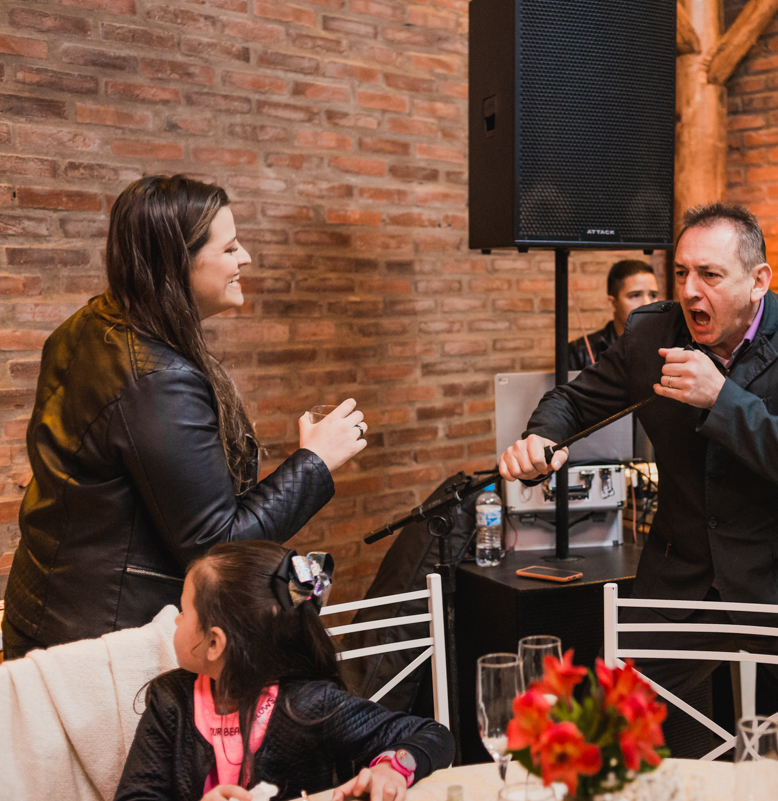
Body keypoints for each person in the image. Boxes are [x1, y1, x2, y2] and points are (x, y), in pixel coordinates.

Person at [499, 202, 778, 797]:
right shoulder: (652, 334)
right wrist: (541, 436)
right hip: (681, 582)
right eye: (682, 273)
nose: (689, 291)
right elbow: (574, 400)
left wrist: (723, 398)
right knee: (598, 739)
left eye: (710, 274)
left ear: (758, 281)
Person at [3, 175, 367, 660]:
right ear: (177, 263)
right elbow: (215, 545)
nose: (245, 259)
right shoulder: (158, 380)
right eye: (230, 248)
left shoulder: (87, 326)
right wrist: (315, 461)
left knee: (304, 584)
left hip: (49, 615)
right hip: (102, 644)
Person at [116, 540, 455, 801]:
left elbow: (432, 735)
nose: (176, 619)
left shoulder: (308, 705)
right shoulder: (171, 701)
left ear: (215, 643)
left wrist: (393, 768)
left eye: (185, 610)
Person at [567, 259, 659, 370]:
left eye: (653, 295)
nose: (647, 303)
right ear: (612, 302)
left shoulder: (667, 345)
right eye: (635, 295)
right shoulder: (581, 352)